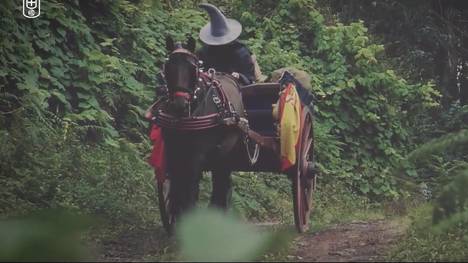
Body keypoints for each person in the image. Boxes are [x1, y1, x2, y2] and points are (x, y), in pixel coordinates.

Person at [197, 3, 266, 85]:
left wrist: (239, 76)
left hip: (238, 89)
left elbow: (249, 78)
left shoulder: (241, 52)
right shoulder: (204, 52)